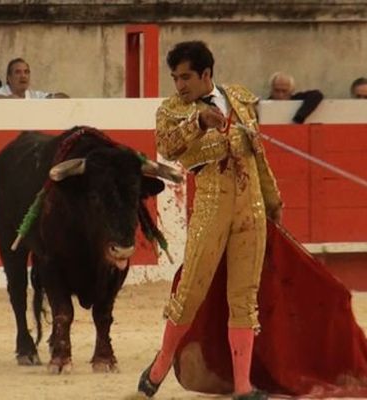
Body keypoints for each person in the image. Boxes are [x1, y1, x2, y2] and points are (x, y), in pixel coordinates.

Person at [137, 41, 283, 400]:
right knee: (191, 291)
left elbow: (258, 156)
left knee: (245, 297)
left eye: (186, 77)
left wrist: (272, 200)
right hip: (211, 204)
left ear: (206, 75)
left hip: (250, 208)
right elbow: (167, 146)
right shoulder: (172, 111)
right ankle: (159, 366)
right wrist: (197, 120)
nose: (180, 85)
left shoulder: (240, 99)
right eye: (175, 78)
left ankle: (243, 387)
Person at [0, 58, 69, 99]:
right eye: (18, 72)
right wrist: (7, 99)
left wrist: (52, 98)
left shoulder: (34, 96)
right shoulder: (0, 92)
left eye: (26, 72)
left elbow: (65, 98)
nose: (23, 76)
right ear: (9, 78)